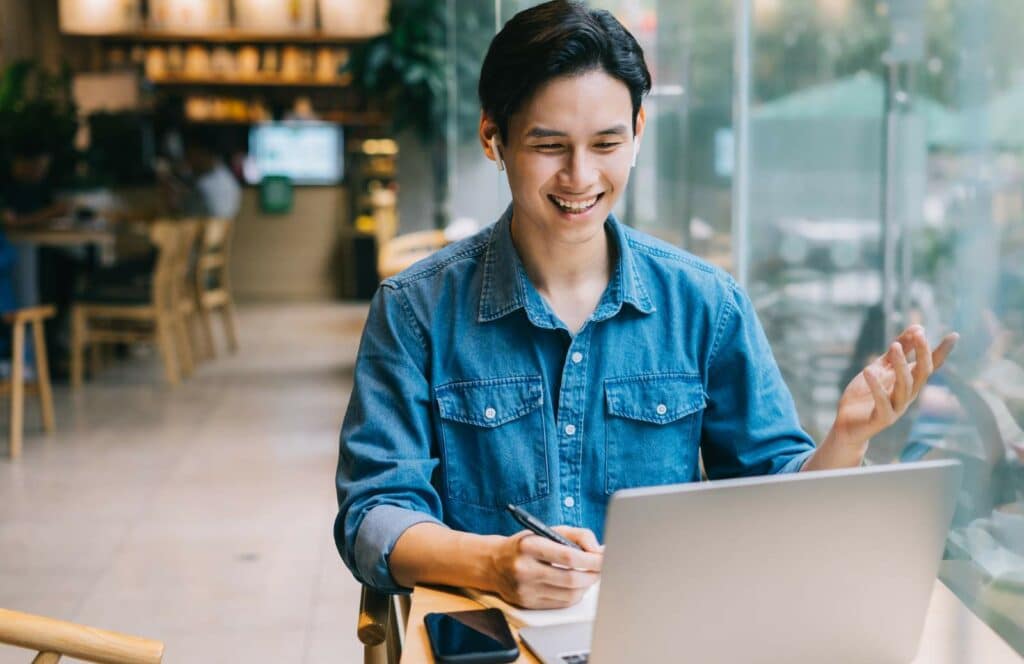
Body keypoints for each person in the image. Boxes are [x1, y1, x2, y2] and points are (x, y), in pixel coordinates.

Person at [334, 0, 959, 610]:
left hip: (662, 630)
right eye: (549, 146)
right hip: (489, 640)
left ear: (637, 132)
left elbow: (775, 501)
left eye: (606, 144)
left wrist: (846, 439)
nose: (580, 177)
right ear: (492, 137)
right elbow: (374, 514)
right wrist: (492, 564)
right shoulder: (415, 309)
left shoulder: (706, 304)